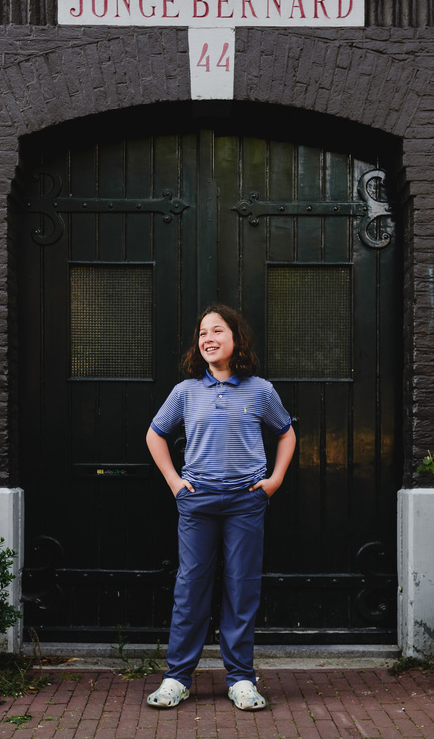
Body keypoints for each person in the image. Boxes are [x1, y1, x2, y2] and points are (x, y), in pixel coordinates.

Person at [144, 304, 296, 712]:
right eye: (202, 334)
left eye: (217, 331)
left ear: (235, 339)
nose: (208, 339)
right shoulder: (186, 392)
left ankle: (241, 679)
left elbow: (286, 433)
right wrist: (176, 484)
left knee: (241, 587)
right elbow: (155, 435)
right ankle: (177, 678)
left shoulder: (260, 390)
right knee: (191, 587)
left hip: (247, 501)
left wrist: (274, 480)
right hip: (198, 502)